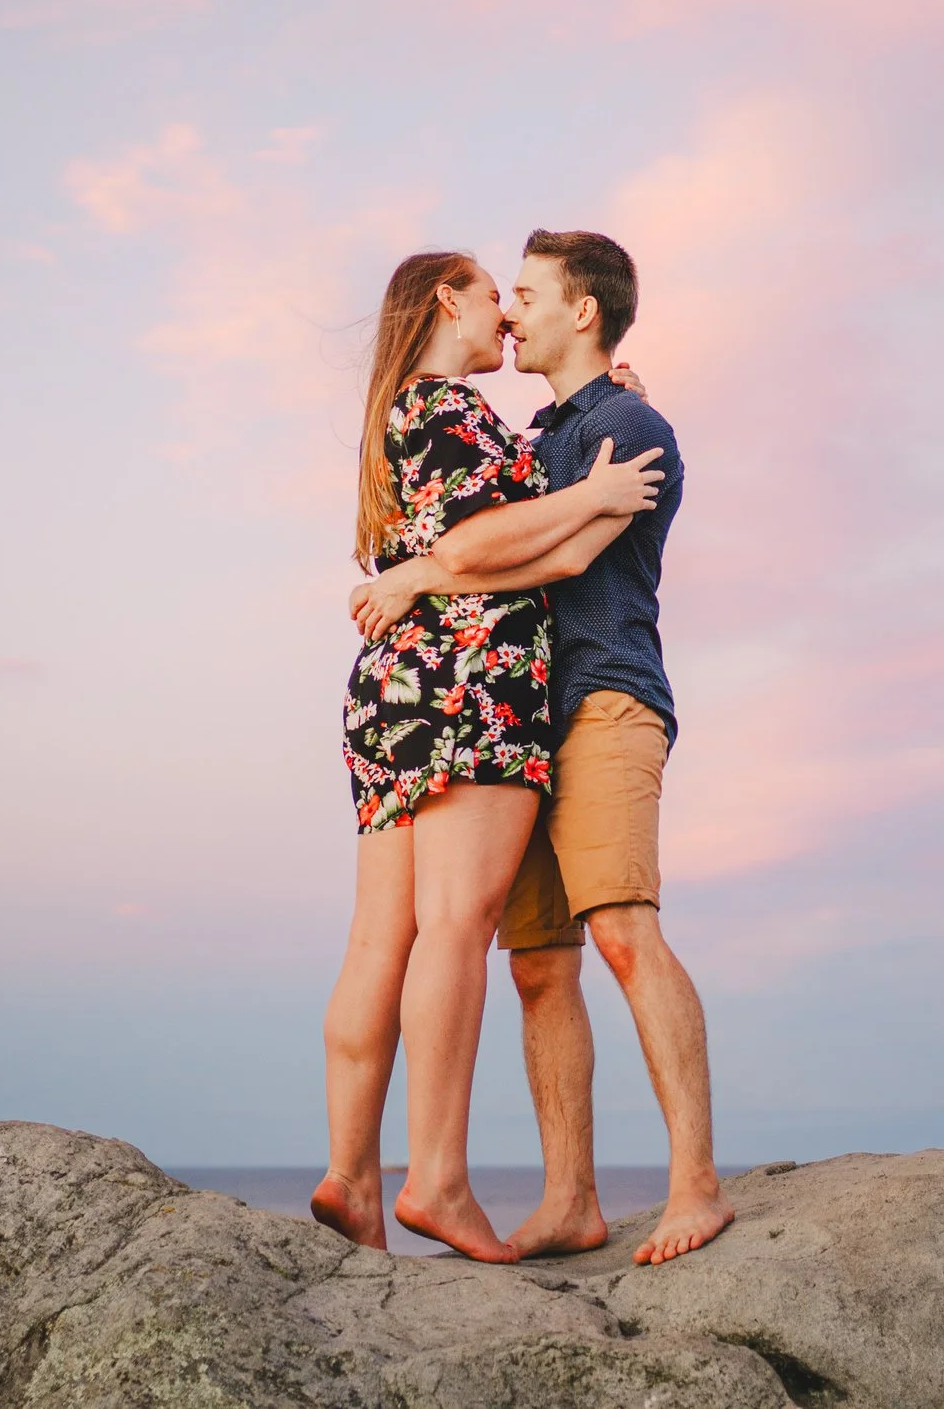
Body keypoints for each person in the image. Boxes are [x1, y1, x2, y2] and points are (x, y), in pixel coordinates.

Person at [355, 230, 734, 1267]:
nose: (510, 311)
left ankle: (693, 1181)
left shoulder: (631, 423)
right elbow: (503, 521)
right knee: (536, 964)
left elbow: (525, 548)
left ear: (582, 310)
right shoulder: (539, 430)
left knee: (619, 926)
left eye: (526, 294)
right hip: (512, 722)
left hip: (603, 696)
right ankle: (570, 1196)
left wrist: (414, 576)